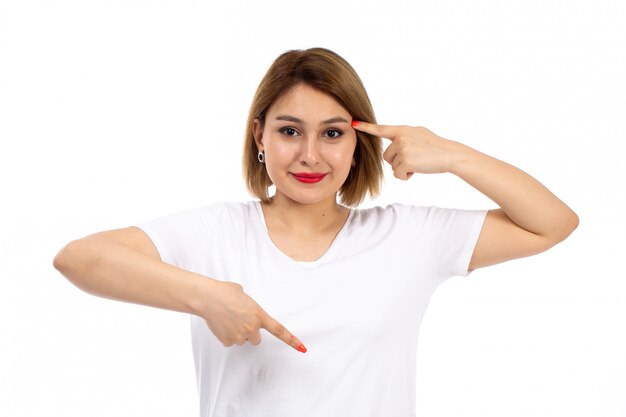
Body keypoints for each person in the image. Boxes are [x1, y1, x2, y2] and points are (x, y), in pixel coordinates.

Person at [53, 47, 579, 417]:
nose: (309, 155)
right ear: (259, 136)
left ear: (359, 143)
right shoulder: (217, 232)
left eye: (332, 133)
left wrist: (454, 155)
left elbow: (553, 224)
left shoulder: (408, 237)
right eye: (289, 131)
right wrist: (208, 297)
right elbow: (78, 258)